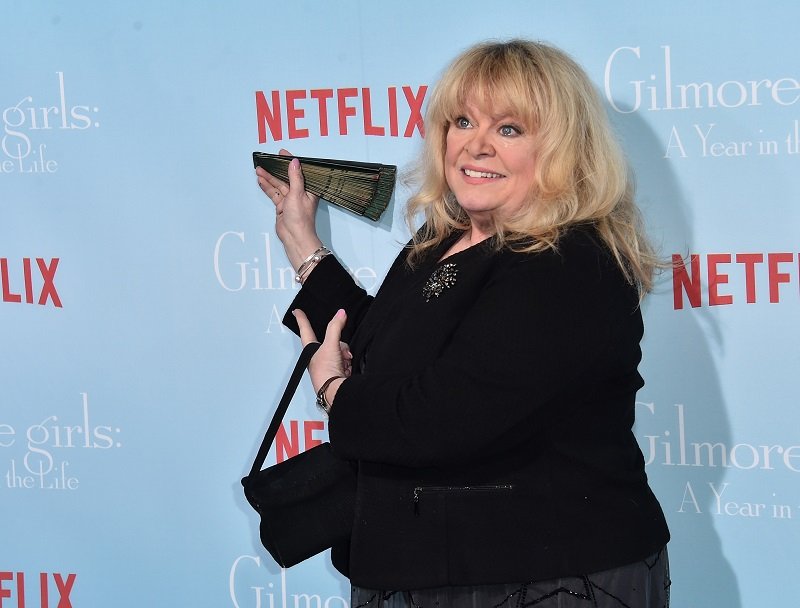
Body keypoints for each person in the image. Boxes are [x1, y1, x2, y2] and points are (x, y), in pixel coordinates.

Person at [256, 39, 670, 608]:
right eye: (463, 121)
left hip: (545, 576)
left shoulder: (569, 263)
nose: (475, 145)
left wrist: (334, 391)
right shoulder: (442, 238)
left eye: (509, 129)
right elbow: (387, 347)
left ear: (563, 148)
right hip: (425, 566)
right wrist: (304, 245)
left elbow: (442, 416)